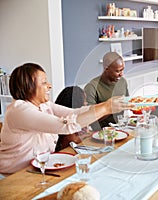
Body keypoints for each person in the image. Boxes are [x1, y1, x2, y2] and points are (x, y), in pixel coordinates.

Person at [0, 63, 133, 174]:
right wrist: (106, 108)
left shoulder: (45, 105)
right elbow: (65, 126)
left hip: (39, 169)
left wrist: (106, 104)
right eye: (44, 82)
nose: (49, 86)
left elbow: (75, 113)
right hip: (14, 176)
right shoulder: (19, 110)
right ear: (28, 86)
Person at [84, 52, 129, 130]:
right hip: (100, 132)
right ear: (106, 69)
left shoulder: (123, 81)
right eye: (118, 71)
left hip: (121, 127)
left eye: (122, 70)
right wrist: (109, 108)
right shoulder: (91, 87)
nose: (121, 74)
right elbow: (89, 119)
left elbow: (127, 101)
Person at [54, 86, 89, 152]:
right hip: (66, 151)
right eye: (84, 100)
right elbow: (73, 140)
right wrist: (87, 136)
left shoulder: (79, 115)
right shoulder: (66, 118)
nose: (86, 103)